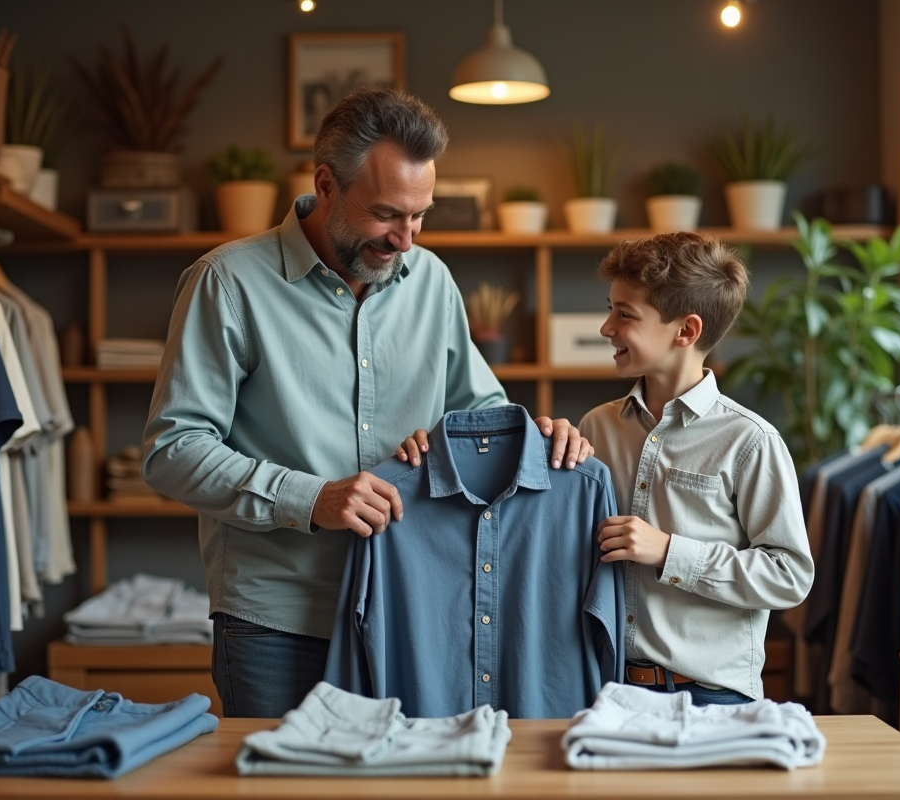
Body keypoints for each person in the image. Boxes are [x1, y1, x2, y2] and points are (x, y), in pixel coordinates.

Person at [143, 87, 592, 718]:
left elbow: (475, 420)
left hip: (415, 611)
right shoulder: (227, 284)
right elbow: (172, 451)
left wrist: (537, 436)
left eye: (419, 216)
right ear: (326, 184)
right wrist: (312, 498)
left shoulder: (432, 281)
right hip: (281, 622)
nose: (405, 239)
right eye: (386, 215)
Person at [578, 231, 814, 706]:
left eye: (625, 315)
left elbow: (789, 576)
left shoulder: (751, 442)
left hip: (716, 700)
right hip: (607, 692)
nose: (607, 328)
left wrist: (670, 552)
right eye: (610, 308)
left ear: (686, 331)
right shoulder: (595, 428)